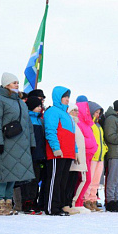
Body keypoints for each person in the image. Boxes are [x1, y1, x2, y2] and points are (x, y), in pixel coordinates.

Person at [0, 73, 35, 215]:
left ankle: (8, 202)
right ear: (6, 84)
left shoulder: (20, 102)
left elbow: (28, 124)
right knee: (2, 172)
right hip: (5, 142)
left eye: (17, 82)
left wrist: (31, 143)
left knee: (13, 174)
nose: (17, 84)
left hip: (20, 143)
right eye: (14, 82)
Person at [43, 86, 75, 216]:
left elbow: (72, 136)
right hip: (58, 153)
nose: (67, 99)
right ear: (58, 98)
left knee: (63, 181)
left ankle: (60, 205)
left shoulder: (67, 115)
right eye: (65, 97)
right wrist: (55, 148)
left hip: (67, 153)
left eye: (68, 97)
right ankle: (51, 207)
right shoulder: (52, 112)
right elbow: (50, 131)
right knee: (54, 180)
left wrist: (75, 151)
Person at [21, 96, 45, 214]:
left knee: (36, 179)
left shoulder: (40, 120)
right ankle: (26, 202)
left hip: (38, 154)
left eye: (41, 106)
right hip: (29, 153)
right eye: (37, 106)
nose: (40, 108)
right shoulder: (27, 118)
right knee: (28, 179)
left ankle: (33, 201)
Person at [73, 97, 97, 211]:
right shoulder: (79, 122)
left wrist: (95, 146)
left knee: (87, 180)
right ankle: (76, 202)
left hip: (89, 154)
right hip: (83, 154)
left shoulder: (88, 123)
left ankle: (79, 202)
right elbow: (79, 139)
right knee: (84, 179)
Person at [85, 102, 107, 211]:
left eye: (99, 113)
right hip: (93, 156)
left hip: (100, 156)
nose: (98, 115)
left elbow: (101, 139)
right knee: (90, 179)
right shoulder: (90, 124)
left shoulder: (98, 125)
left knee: (96, 180)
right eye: (96, 112)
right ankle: (86, 200)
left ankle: (93, 200)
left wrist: (104, 148)